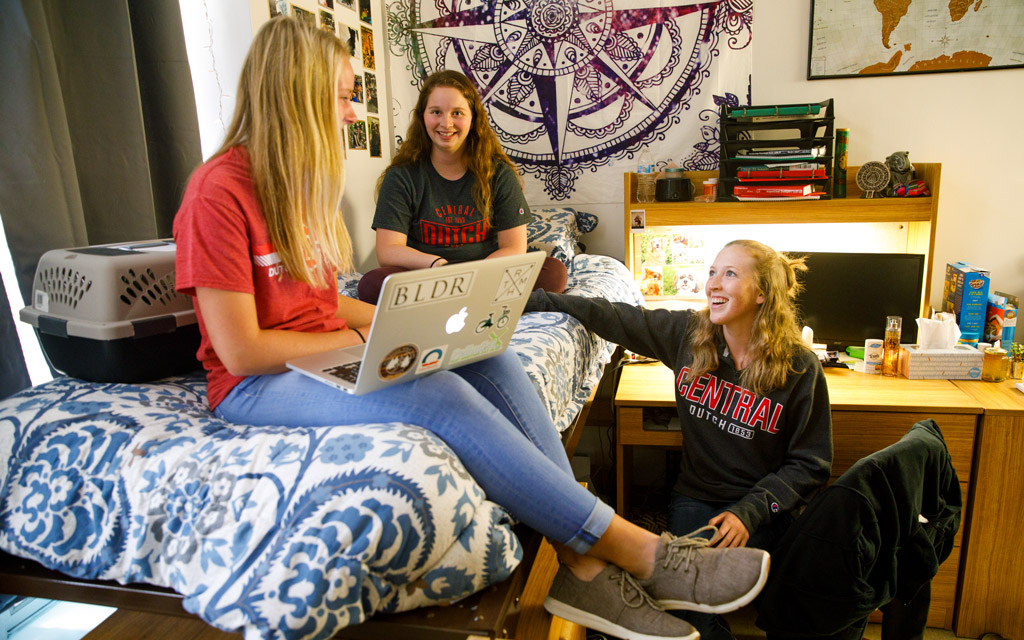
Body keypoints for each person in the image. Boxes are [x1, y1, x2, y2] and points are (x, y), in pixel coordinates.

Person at [173, 18, 768, 640]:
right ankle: (636, 551)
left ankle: (581, 565)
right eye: (344, 95)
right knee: (430, 390)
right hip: (255, 386)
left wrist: (407, 323)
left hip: (318, 353)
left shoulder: (293, 188)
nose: (351, 112)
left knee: (490, 355)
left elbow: (321, 303)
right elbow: (241, 351)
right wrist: (370, 343)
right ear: (298, 93)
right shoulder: (219, 191)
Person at [527, 239, 834, 639]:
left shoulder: (799, 367)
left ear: (762, 293)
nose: (713, 285)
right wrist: (541, 301)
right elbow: (615, 316)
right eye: (711, 273)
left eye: (730, 274)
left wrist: (750, 512)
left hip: (760, 504)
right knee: (689, 607)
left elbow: (811, 464)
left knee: (745, 593)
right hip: (696, 496)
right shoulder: (690, 334)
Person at [356, 69, 567, 304]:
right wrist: (436, 265)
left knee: (553, 273)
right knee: (371, 285)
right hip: (426, 275)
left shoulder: (497, 172)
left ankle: (452, 302)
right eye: (436, 112)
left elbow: (514, 247)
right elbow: (388, 251)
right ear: (422, 116)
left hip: (486, 274)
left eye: (457, 113)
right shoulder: (401, 176)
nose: (446, 123)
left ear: (473, 117)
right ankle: (474, 301)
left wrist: (474, 277)